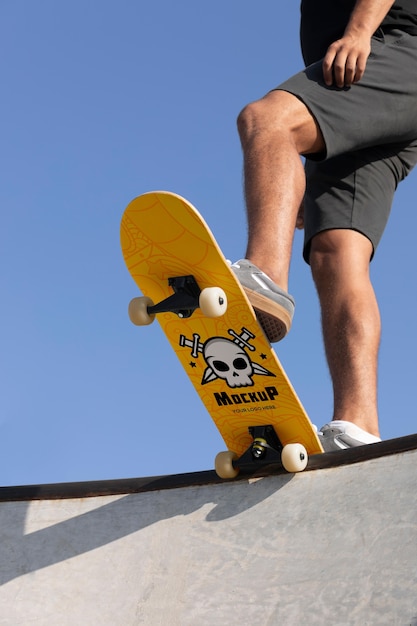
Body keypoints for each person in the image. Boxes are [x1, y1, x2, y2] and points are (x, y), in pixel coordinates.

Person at [231, 0, 417, 451]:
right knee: (334, 252)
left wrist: (359, 32)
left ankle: (265, 279)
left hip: (390, 54)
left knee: (267, 118)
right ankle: (358, 427)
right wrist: (285, 188)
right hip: (369, 92)